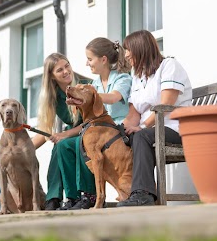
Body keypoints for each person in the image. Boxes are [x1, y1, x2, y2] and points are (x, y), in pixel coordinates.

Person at [117, 30, 192, 207]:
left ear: (140, 48)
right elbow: (133, 114)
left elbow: (166, 104)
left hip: (176, 129)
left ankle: (143, 195)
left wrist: (143, 127)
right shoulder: (137, 77)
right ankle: (123, 192)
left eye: (128, 49)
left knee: (141, 136)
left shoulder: (169, 66)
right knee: (112, 140)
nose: (126, 54)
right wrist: (114, 130)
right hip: (151, 130)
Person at [70, 37, 132, 209]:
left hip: (119, 129)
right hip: (100, 131)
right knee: (68, 145)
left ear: (103, 59)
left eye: (90, 59)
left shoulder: (123, 78)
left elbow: (113, 97)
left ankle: (94, 195)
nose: (87, 63)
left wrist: (89, 95)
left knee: (80, 143)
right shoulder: (94, 84)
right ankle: (78, 195)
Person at [32, 53, 92, 210]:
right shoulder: (52, 96)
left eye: (67, 66)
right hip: (74, 132)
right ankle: (53, 198)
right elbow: (45, 130)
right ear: (52, 77)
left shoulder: (85, 85)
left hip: (91, 129)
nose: (66, 71)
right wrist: (22, 150)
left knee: (63, 143)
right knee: (59, 147)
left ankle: (75, 196)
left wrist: (64, 134)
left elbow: (90, 121)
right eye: (60, 70)